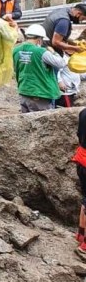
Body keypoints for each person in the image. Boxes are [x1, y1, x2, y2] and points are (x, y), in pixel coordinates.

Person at [13, 24, 64, 113]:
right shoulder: (41, 52)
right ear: (39, 40)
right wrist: (54, 52)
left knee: (26, 122)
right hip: (40, 94)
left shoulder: (16, 50)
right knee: (43, 124)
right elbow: (61, 63)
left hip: (24, 92)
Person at [71, 107, 86, 260]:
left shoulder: (84, 112)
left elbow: (78, 134)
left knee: (85, 199)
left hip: (81, 159)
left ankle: (81, 235)